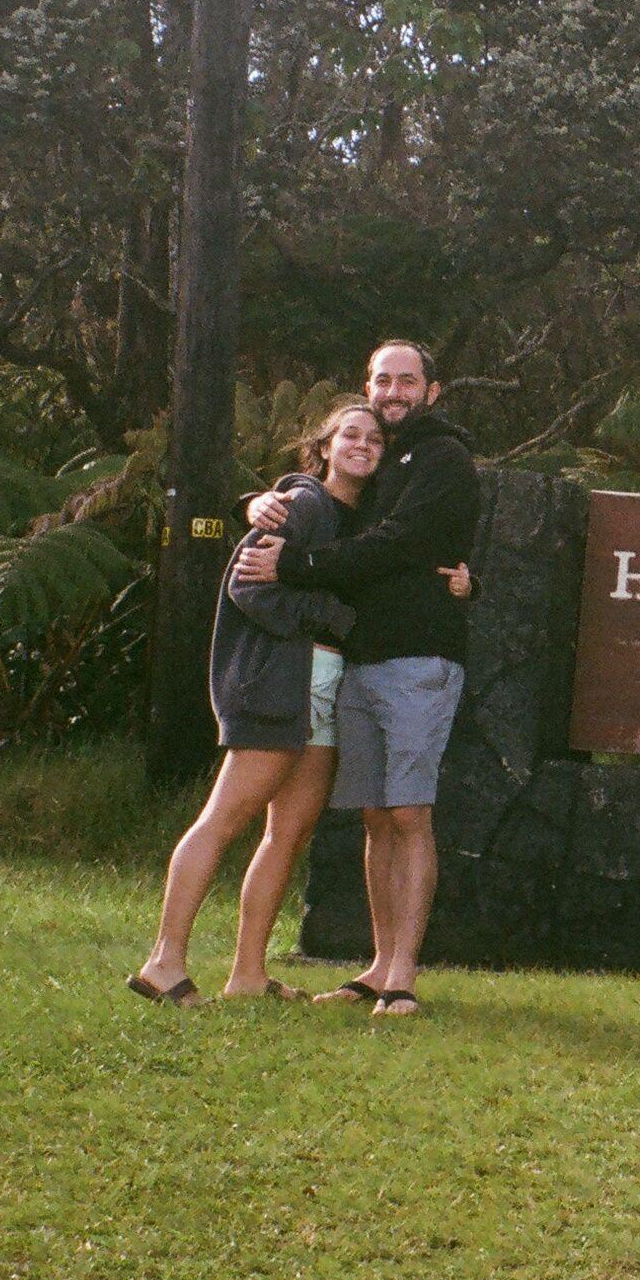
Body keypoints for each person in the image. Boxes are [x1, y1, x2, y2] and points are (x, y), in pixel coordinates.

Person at [126, 396, 463, 1006]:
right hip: (282, 684)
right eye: (349, 435)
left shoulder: (357, 521)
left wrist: (468, 578)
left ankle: (248, 976)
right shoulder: (303, 503)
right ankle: (164, 963)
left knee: (288, 833)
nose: (363, 446)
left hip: (325, 689)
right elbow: (246, 588)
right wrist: (331, 613)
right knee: (225, 818)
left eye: (375, 441)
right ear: (325, 446)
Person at [233, 336, 477, 1018]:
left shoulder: (443, 459)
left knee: (408, 811)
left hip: (420, 660)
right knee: (375, 815)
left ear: (432, 390)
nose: (393, 391)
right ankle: (375, 964)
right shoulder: (380, 465)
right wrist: (254, 503)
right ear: (367, 388)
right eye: (381, 380)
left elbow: (397, 545)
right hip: (362, 660)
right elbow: (320, 500)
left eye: (407, 380)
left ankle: (402, 973)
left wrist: (296, 568)